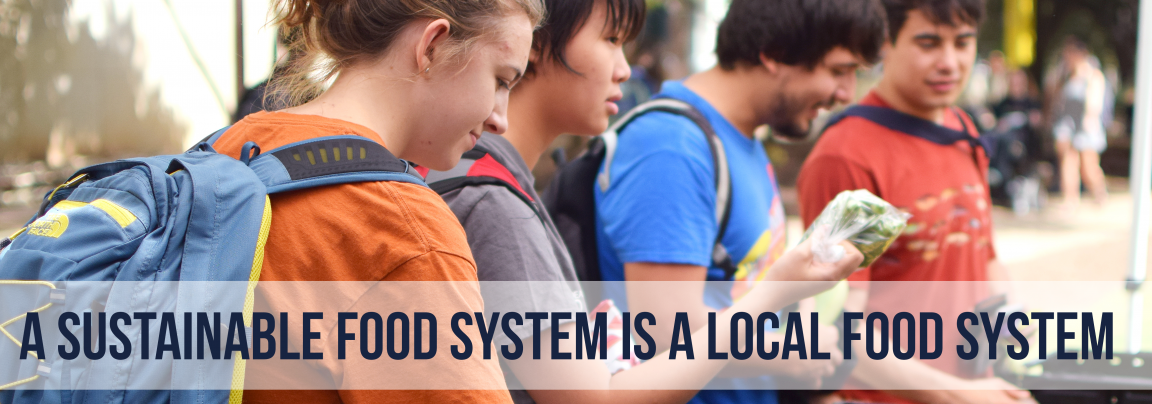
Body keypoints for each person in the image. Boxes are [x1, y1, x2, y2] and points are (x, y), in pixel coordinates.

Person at [432, 0, 867, 403]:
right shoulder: (497, 202)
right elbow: (604, 388)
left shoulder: (496, 186)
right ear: (535, 40)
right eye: (611, 40)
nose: (624, 70)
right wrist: (777, 311)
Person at [208, 0, 543, 402]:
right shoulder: (403, 231)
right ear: (432, 45)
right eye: (502, 80)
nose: (499, 119)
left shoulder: (229, 149)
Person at [590, 1, 887, 404]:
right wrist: (792, 353)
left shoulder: (739, 137)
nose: (846, 93)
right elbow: (665, 329)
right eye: (838, 70)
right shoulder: (672, 146)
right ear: (775, 53)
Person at [796, 0, 1037, 403]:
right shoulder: (846, 153)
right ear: (885, 43)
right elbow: (835, 328)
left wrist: (1010, 316)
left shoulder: (962, 129)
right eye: (928, 43)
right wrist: (957, 395)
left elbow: (984, 255)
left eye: (963, 43)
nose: (950, 62)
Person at [1051, 36, 1109, 211]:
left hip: (1085, 125)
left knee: (1088, 166)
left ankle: (1099, 194)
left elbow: (1095, 102)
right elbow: (1056, 98)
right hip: (1067, 125)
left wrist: (1090, 120)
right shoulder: (1065, 75)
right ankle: (1070, 198)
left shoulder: (1092, 75)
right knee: (1068, 163)